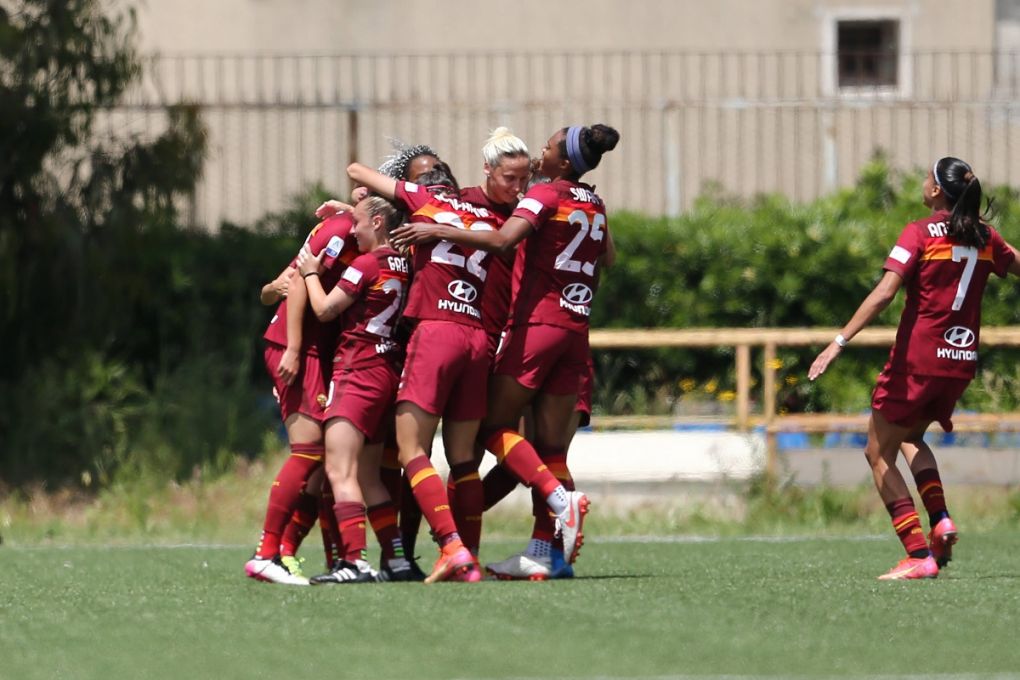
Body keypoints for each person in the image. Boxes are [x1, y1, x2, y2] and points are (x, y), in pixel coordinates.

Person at [392, 123, 620, 577]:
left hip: (536, 327)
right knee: (550, 448)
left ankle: (554, 502)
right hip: (576, 329)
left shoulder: (544, 195)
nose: (541, 151)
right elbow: (607, 258)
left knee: (488, 427)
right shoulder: (594, 201)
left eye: (549, 146)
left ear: (564, 160)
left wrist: (440, 230)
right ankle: (546, 553)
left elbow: (501, 240)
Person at [808, 156, 1020, 580]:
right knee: (909, 439)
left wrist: (838, 341)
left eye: (927, 177)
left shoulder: (919, 232)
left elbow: (885, 292)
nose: (923, 183)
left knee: (877, 450)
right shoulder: (986, 237)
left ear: (938, 191)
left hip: (918, 360)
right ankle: (940, 519)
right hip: (959, 362)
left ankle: (916, 553)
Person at [346, 158, 499, 583]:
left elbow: (357, 171)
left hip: (436, 332)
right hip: (476, 336)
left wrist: (379, 191)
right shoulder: (485, 216)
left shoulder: (423, 199)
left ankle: (450, 547)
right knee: (464, 459)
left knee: (411, 449)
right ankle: (470, 557)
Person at [297, 195, 413, 584]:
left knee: (338, 468)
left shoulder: (365, 264)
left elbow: (326, 310)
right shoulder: (404, 263)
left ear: (378, 222)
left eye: (359, 223)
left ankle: (354, 562)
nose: (354, 231)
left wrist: (311, 273)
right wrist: (347, 210)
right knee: (369, 475)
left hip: (357, 371)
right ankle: (396, 559)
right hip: (387, 372)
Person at [245, 210, 357, 585]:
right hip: (301, 351)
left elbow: (273, 289)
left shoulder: (356, 224)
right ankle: (268, 553)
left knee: (326, 458)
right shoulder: (344, 228)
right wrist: (294, 348)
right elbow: (289, 285)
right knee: (309, 452)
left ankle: (311, 554)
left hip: (315, 354)